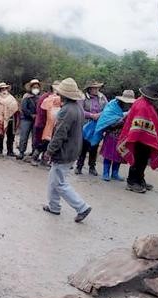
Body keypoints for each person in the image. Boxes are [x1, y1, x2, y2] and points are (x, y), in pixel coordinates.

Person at [43, 78, 92, 222]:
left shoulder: (66, 111)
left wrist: (50, 150)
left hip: (65, 151)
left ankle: (82, 207)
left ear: (63, 94)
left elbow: (60, 134)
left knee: (59, 182)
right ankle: (54, 207)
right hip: (74, 149)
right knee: (54, 179)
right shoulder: (78, 108)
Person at [118, 84, 158, 193]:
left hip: (145, 138)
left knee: (142, 161)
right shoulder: (142, 105)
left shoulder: (146, 103)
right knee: (138, 160)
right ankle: (132, 182)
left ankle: (140, 179)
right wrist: (137, 136)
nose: (156, 101)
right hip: (138, 139)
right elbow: (138, 125)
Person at [87, 90, 136, 181]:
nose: (128, 104)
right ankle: (105, 173)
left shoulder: (132, 109)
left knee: (119, 156)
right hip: (111, 135)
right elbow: (107, 122)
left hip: (123, 137)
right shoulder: (112, 107)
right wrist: (121, 119)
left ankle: (115, 173)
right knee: (108, 155)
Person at [75, 80, 108, 176]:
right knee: (83, 146)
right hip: (85, 125)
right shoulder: (83, 97)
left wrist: (100, 115)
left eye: (97, 87)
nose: (96, 89)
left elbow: (107, 109)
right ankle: (79, 166)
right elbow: (79, 110)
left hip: (97, 126)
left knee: (94, 146)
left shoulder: (102, 97)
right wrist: (91, 115)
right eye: (94, 88)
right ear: (89, 88)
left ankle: (92, 167)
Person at [32, 81, 60, 165]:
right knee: (41, 142)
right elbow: (41, 112)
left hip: (53, 124)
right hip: (43, 124)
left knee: (49, 143)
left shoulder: (59, 98)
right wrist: (44, 124)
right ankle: (34, 157)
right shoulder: (45, 97)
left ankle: (44, 159)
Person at [36, 92, 62, 166]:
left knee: (48, 145)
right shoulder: (50, 106)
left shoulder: (58, 108)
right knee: (44, 144)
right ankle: (36, 157)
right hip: (49, 128)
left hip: (52, 129)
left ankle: (44, 160)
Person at [18, 79, 42, 160]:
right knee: (24, 136)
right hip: (26, 119)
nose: (36, 89)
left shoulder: (40, 97)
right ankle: (21, 152)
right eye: (34, 87)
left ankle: (34, 152)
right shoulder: (26, 97)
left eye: (37, 87)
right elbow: (24, 108)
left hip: (36, 119)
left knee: (35, 137)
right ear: (31, 88)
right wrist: (31, 115)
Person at [0, 82, 19, 156]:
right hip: (1, 118)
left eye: (5, 88)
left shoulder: (11, 97)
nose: (4, 90)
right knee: (0, 135)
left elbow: (15, 106)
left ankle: (10, 151)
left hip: (11, 118)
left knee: (10, 136)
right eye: (2, 88)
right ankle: (0, 150)